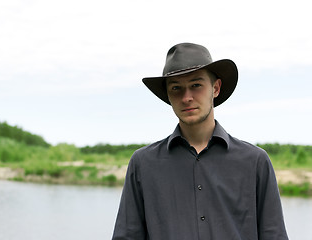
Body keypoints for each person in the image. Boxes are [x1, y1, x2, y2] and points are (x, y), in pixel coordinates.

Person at [112, 43, 289, 240]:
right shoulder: (143, 164)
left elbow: (274, 236)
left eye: (196, 85)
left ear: (215, 88)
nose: (186, 97)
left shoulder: (255, 161)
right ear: (168, 96)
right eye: (176, 88)